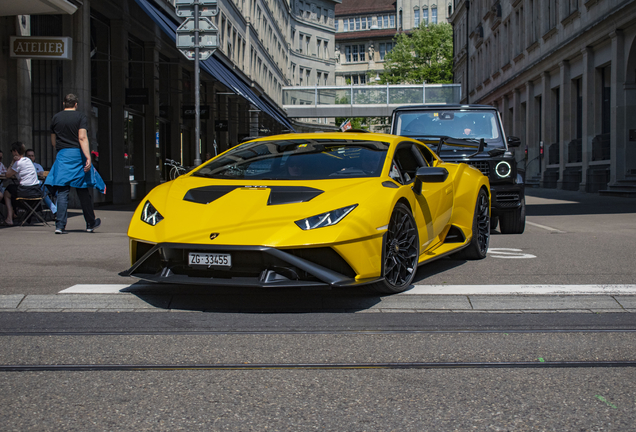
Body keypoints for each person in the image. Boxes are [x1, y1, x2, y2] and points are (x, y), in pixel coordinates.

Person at [45, 93, 106, 234]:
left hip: (63, 156)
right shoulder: (81, 117)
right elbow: (82, 137)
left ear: (63, 103)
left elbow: (53, 142)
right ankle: (90, 223)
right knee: (82, 190)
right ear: (76, 104)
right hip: (77, 155)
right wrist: (88, 157)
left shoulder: (56, 118)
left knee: (62, 191)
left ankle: (60, 226)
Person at [2, 141, 41, 226]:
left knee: (7, 192)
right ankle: (13, 214)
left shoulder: (17, 163)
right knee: (12, 189)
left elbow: (7, 175)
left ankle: (9, 218)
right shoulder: (28, 160)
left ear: (15, 151)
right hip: (36, 191)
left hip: (26, 192)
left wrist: (12, 162)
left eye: (12, 151)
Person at [25, 148, 57, 215]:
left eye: (32, 156)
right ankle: (55, 210)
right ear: (25, 157)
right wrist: (36, 174)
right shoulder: (24, 166)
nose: (31, 157)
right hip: (34, 186)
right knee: (43, 193)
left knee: (59, 192)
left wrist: (42, 174)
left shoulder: (38, 166)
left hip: (43, 184)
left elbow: (43, 176)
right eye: (29, 156)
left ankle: (57, 211)